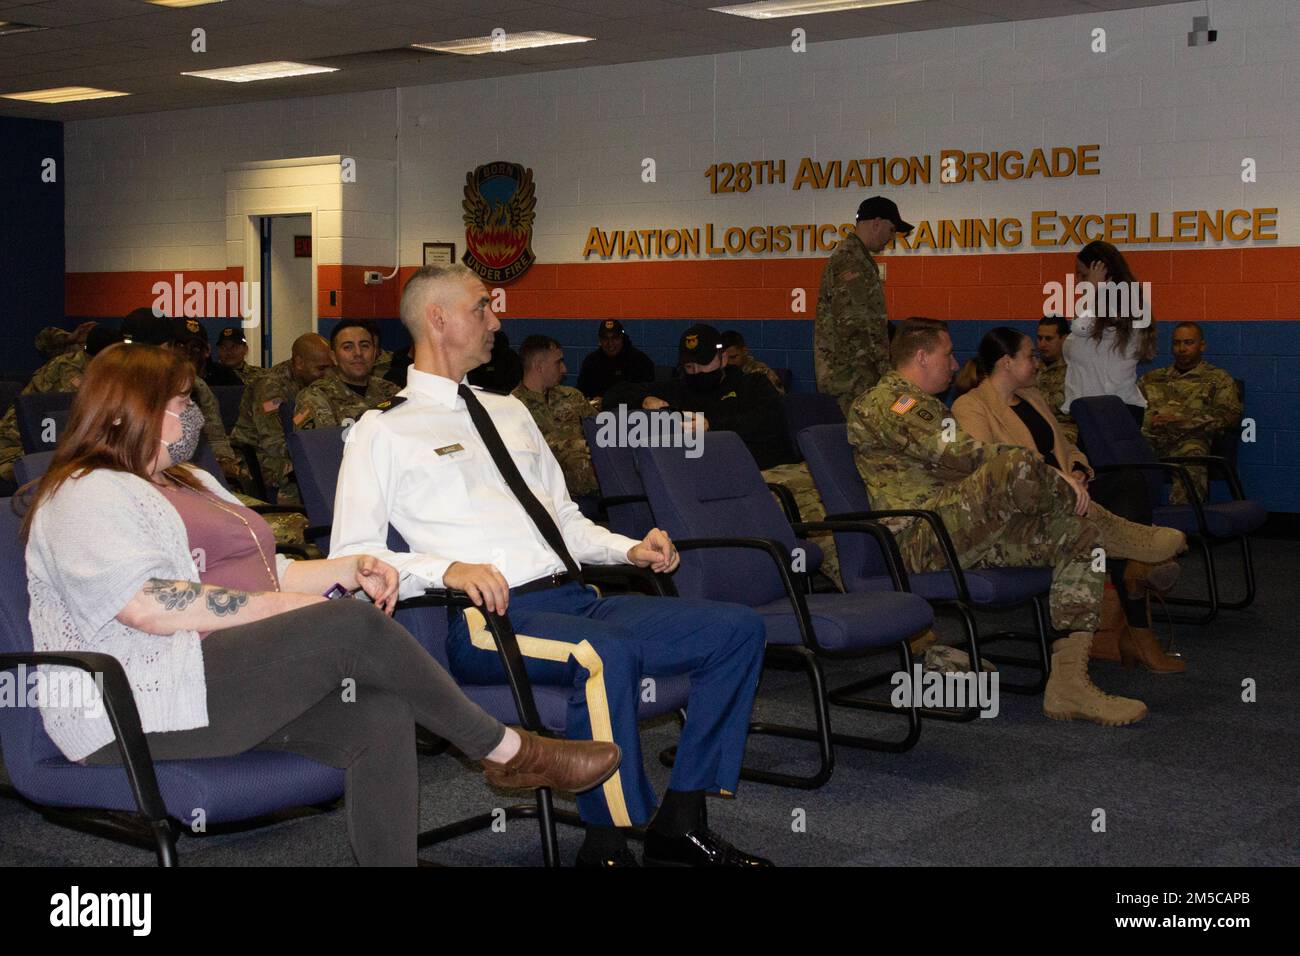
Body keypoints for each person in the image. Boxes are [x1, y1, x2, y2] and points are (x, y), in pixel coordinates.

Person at [18, 342, 620, 868]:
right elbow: (150, 606)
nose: (192, 416)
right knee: (350, 627)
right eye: (179, 403)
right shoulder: (85, 492)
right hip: (133, 704)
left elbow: (266, 568)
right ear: (132, 409)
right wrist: (286, 609)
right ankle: (506, 750)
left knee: (378, 715)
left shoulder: (187, 482)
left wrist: (346, 569)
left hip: (210, 679)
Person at [330, 265, 771, 868]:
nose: (497, 319)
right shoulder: (383, 429)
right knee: (603, 652)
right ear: (438, 318)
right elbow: (352, 556)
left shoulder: (511, 412)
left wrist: (627, 549)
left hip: (575, 599)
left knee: (737, 630)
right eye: (483, 307)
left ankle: (680, 820)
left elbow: (562, 519)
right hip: (490, 616)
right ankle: (607, 844)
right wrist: (447, 569)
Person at [849, 318, 1152, 726]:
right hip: (918, 539)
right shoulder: (892, 402)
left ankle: (1068, 687)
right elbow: (966, 454)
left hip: (955, 528)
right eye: (947, 354)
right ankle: (1115, 529)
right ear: (921, 356)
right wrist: (1053, 473)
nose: (955, 364)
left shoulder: (924, 404)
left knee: (1079, 536)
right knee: (1012, 462)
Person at [952, 327, 1187, 673]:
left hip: (1070, 493)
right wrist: (1058, 479)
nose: (1037, 361)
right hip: (1026, 508)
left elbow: (1067, 446)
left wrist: (1079, 470)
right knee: (1100, 519)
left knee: (1127, 480)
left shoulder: (1031, 397)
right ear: (1006, 362)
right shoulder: (970, 407)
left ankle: (1135, 567)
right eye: (1029, 355)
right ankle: (1137, 572)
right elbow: (994, 466)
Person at [605, 324, 841, 591]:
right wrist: (645, 398)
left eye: (704, 364)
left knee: (838, 515)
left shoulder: (752, 384)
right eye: (690, 366)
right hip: (745, 486)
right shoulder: (679, 389)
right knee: (821, 527)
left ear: (723, 358)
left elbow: (768, 421)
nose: (697, 372)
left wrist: (711, 424)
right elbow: (615, 394)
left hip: (779, 469)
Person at [815, 196, 913, 415]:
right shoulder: (851, 261)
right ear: (876, 223)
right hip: (852, 379)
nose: (891, 238)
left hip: (856, 377)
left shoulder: (857, 257)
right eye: (891, 230)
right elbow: (858, 325)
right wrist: (886, 373)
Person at [0, 324, 125, 485]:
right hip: (15, 448)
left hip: (45, 444)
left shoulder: (87, 362)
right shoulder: (70, 370)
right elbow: (73, 421)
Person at [1139, 322, 1243, 504]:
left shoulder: (1217, 379)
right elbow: (1131, 411)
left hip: (1190, 439)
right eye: (1177, 343)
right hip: (1152, 439)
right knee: (1125, 453)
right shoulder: (1152, 378)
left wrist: (1179, 421)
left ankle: (1184, 522)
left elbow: (1229, 416)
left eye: (1188, 343)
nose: (1181, 348)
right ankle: (1133, 522)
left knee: (1193, 454)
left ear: (1201, 345)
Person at [1061, 240, 1157, 430]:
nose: (1080, 281)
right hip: (1092, 409)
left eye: (1084, 275)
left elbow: (1078, 328)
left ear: (1104, 274)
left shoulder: (1123, 311)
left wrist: (1092, 291)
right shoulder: (1097, 310)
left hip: (1114, 411)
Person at [230, 333, 333, 504]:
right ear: (299, 363)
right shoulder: (270, 387)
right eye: (321, 369)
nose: (328, 375)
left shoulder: (318, 386)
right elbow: (273, 442)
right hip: (258, 455)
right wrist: (314, 454)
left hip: (294, 448)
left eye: (331, 368)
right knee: (304, 474)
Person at [512, 335, 598, 499]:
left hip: (589, 488)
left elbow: (601, 434)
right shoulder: (513, 406)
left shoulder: (572, 397)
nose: (564, 369)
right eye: (558, 363)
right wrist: (576, 446)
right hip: (543, 492)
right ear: (539, 366)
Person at [295, 319, 399, 431]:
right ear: (334, 357)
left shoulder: (390, 391)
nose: (358, 353)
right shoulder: (316, 397)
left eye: (364, 346)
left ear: (374, 353)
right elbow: (319, 446)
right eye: (347, 347)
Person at [576, 320, 655, 400]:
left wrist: (608, 402)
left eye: (615, 338)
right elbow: (580, 392)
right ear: (600, 340)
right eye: (605, 338)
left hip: (631, 410)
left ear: (622, 338)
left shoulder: (639, 361)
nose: (610, 343)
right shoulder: (591, 362)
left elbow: (648, 394)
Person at [1036, 315, 1077, 444]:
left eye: (1048, 339)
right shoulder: (1030, 368)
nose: (1042, 344)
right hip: (1034, 426)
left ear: (1064, 339)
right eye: (1039, 338)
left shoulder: (1075, 370)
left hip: (1065, 431)